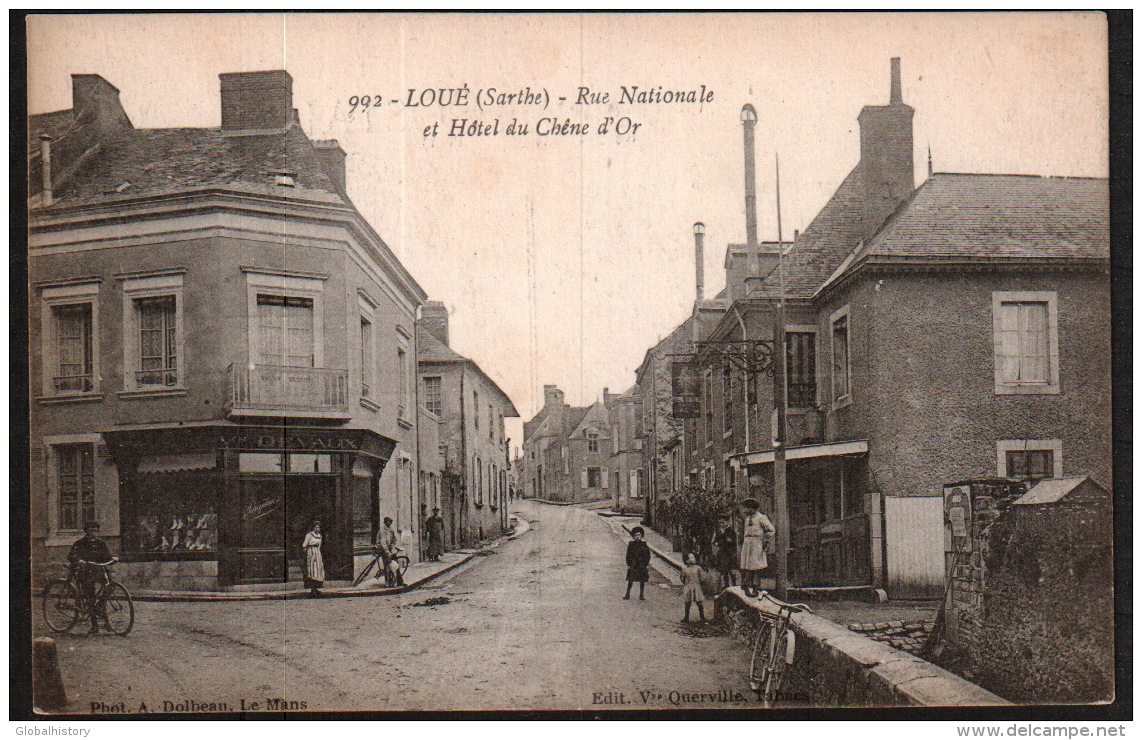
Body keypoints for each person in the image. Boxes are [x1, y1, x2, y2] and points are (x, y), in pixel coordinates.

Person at [67, 521, 113, 634]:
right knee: (90, 596)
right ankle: (94, 625)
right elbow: (71, 555)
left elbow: (107, 556)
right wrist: (79, 560)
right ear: (86, 532)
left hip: (98, 571)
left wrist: (113, 559)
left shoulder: (101, 543)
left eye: (95, 531)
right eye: (91, 531)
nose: (93, 533)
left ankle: (99, 607)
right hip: (85, 572)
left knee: (110, 587)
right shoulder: (80, 543)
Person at [739, 498, 775, 598]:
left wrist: (766, 541)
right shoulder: (747, 519)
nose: (744, 510)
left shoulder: (761, 517)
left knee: (756, 566)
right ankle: (748, 585)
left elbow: (771, 530)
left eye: (746, 508)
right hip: (748, 543)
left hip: (756, 543)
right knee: (747, 565)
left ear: (752, 508)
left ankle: (751, 586)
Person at [624, 526, 651, 600]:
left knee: (642, 580)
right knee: (631, 579)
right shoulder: (631, 544)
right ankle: (627, 593)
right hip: (633, 563)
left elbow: (647, 555)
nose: (637, 537)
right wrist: (629, 564)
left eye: (639, 535)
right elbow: (628, 555)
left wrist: (646, 564)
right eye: (636, 535)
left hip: (641, 564)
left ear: (641, 535)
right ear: (633, 536)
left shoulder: (644, 545)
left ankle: (641, 594)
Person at [680, 553, 707, 623]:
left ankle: (702, 617)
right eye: (692, 558)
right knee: (687, 603)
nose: (694, 559)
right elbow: (682, 578)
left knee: (699, 602)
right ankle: (686, 617)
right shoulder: (684, 569)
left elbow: (702, 578)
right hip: (688, 587)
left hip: (696, 586)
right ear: (687, 561)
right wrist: (686, 584)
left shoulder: (698, 568)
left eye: (694, 557)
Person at [714, 518, 739, 590]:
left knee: (731, 570)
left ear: (727, 522)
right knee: (724, 570)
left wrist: (723, 534)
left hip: (730, 553)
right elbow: (716, 541)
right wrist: (716, 543)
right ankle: (726, 585)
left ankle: (734, 585)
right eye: (720, 523)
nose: (721, 524)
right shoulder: (720, 532)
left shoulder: (731, 531)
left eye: (722, 522)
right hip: (723, 553)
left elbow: (730, 541)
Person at [302, 520, 325, 598]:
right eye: (315, 527)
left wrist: (317, 552)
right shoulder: (309, 535)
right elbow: (305, 545)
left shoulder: (319, 535)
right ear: (313, 528)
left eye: (318, 527)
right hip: (311, 552)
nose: (317, 529)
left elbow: (319, 545)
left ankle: (316, 588)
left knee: (317, 570)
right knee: (312, 570)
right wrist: (306, 555)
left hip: (317, 553)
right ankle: (312, 588)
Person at [375, 516, 398, 585]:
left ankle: (393, 581)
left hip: (390, 549)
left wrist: (392, 545)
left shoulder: (391, 530)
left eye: (390, 522)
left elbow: (395, 539)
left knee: (393, 566)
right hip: (383, 549)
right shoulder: (382, 531)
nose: (389, 523)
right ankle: (387, 581)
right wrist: (387, 551)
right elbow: (382, 543)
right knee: (387, 566)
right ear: (385, 522)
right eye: (388, 522)